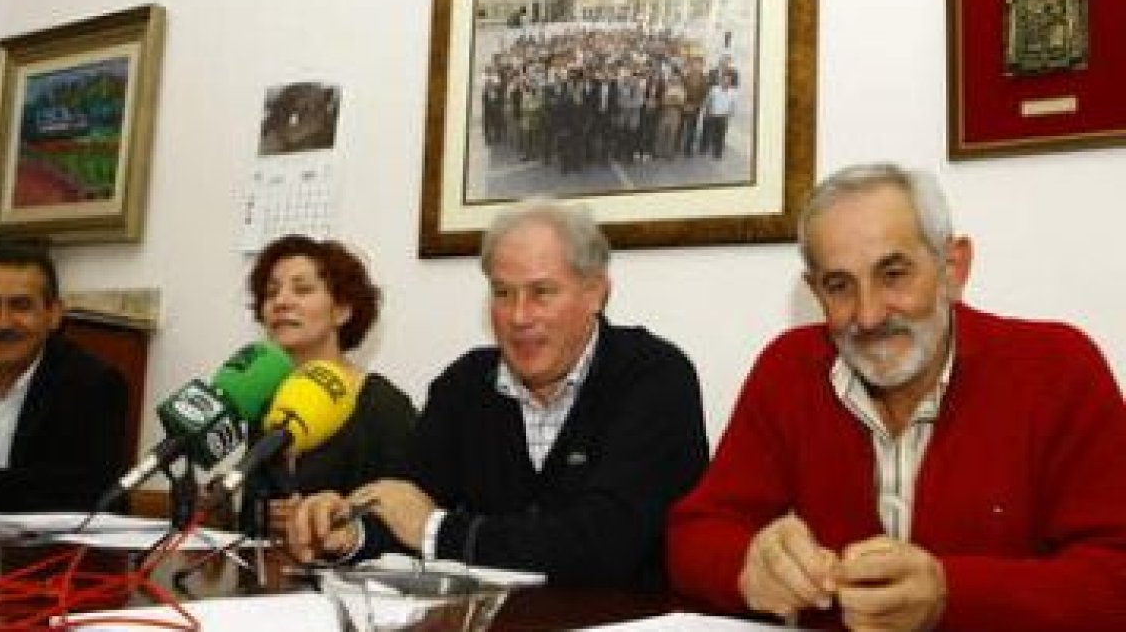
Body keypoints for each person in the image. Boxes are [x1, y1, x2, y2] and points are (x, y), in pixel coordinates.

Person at [667, 163, 1126, 630]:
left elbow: (1116, 576)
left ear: (952, 268)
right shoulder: (788, 369)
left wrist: (951, 593)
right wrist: (750, 567)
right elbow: (693, 535)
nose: (867, 317)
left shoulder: (1057, 369)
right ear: (814, 291)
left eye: (893, 275)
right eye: (839, 285)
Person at [288, 199, 708, 588]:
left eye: (542, 292)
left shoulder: (654, 377)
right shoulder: (466, 384)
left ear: (595, 292)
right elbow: (407, 499)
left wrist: (435, 530)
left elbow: (607, 542)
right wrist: (352, 530)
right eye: (503, 293)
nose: (519, 316)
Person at [0, 240, 128, 512]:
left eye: (20, 306)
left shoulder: (93, 385)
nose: (2, 322)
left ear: (54, 315)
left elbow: (95, 491)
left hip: (52, 551)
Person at [243, 234, 416, 535]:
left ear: (342, 311)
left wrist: (330, 521)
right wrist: (262, 518)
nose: (281, 302)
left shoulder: (382, 404)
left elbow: (406, 518)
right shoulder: (264, 401)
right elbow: (250, 516)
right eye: (271, 293)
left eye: (303, 289)